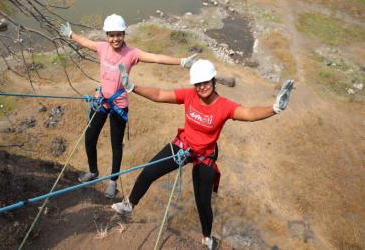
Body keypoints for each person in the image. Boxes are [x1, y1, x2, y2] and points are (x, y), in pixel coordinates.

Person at [112, 59, 294, 250]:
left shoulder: (224, 106)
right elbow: (159, 94)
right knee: (149, 171)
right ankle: (129, 205)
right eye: (198, 83)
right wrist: (132, 87)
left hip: (204, 155)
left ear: (214, 80)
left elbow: (248, 113)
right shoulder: (189, 95)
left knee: (203, 201)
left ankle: (207, 237)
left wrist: (274, 108)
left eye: (205, 82)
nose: (201, 87)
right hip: (183, 146)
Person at [59, 14, 197, 199]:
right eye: (111, 35)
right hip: (101, 100)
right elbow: (86, 42)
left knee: (116, 144)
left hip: (119, 104)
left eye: (119, 35)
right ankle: (93, 171)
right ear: (107, 35)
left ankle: (113, 181)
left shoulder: (132, 54)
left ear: (124, 34)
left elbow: (156, 58)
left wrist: (180, 61)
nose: (115, 39)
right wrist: (70, 35)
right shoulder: (102, 48)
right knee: (90, 137)